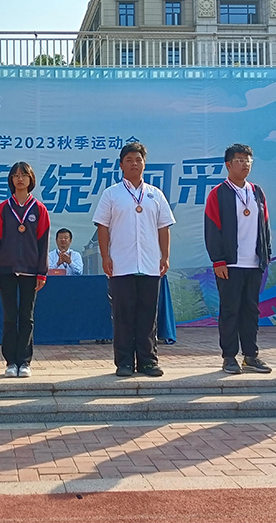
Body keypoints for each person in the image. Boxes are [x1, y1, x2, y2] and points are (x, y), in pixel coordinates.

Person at [93, 142, 174, 377]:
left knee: (148, 316)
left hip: (150, 264)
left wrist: (165, 256)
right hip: (121, 264)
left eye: (138, 160)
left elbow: (163, 227)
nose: (134, 164)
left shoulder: (155, 194)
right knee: (123, 316)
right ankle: (124, 362)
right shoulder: (111, 194)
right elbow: (102, 227)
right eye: (129, 160)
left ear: (144, 164)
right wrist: (105, 256)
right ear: (121, 165)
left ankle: (148, 362)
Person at [204, 144, 273, 375]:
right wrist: (218, 260)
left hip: (253, 263)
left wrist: (265, 255)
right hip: (230, 264)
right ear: (228, 164)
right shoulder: (218, 193)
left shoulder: (257, 192)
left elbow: (265, 225)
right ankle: (229, 357)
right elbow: (212, 229)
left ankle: (251, 355)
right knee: (230, 310)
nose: (245, 164)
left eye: (248, 160)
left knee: (251, 310)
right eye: (239, 160)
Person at [0, 162, 50, 378]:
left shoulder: (39, 209)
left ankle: (24, 361)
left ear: (31, 179)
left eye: (24, 175)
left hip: (31, 271)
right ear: (11, 180)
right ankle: (10, 362)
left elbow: (43, 243)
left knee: (26, 317)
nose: (20, 179)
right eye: (15, 175)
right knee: (9, 317)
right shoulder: (3, 209)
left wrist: (42, 272)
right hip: (6, 269)